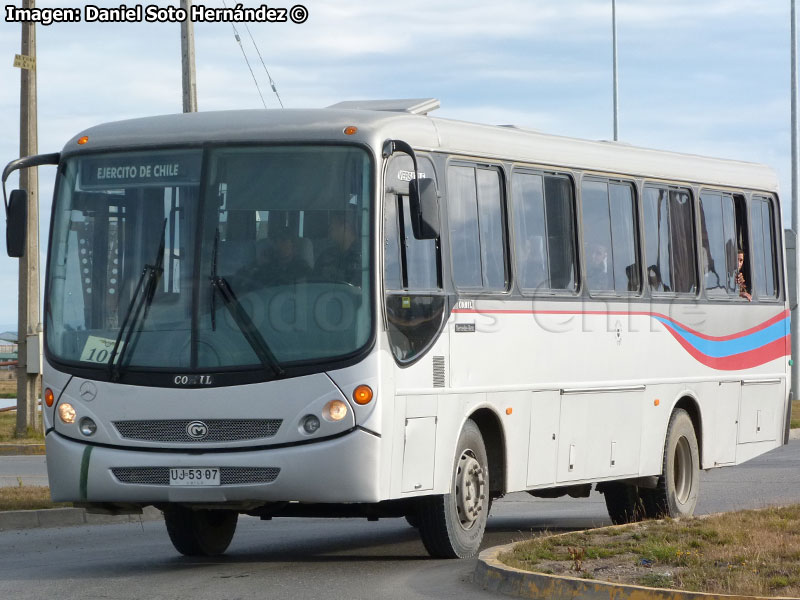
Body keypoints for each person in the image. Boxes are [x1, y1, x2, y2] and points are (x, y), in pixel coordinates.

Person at [314, 212, 361, 285]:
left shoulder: (365, 256)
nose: (330, 228)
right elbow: (314, 282)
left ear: (346, 226)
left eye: (332, 223)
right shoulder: (326, 255)